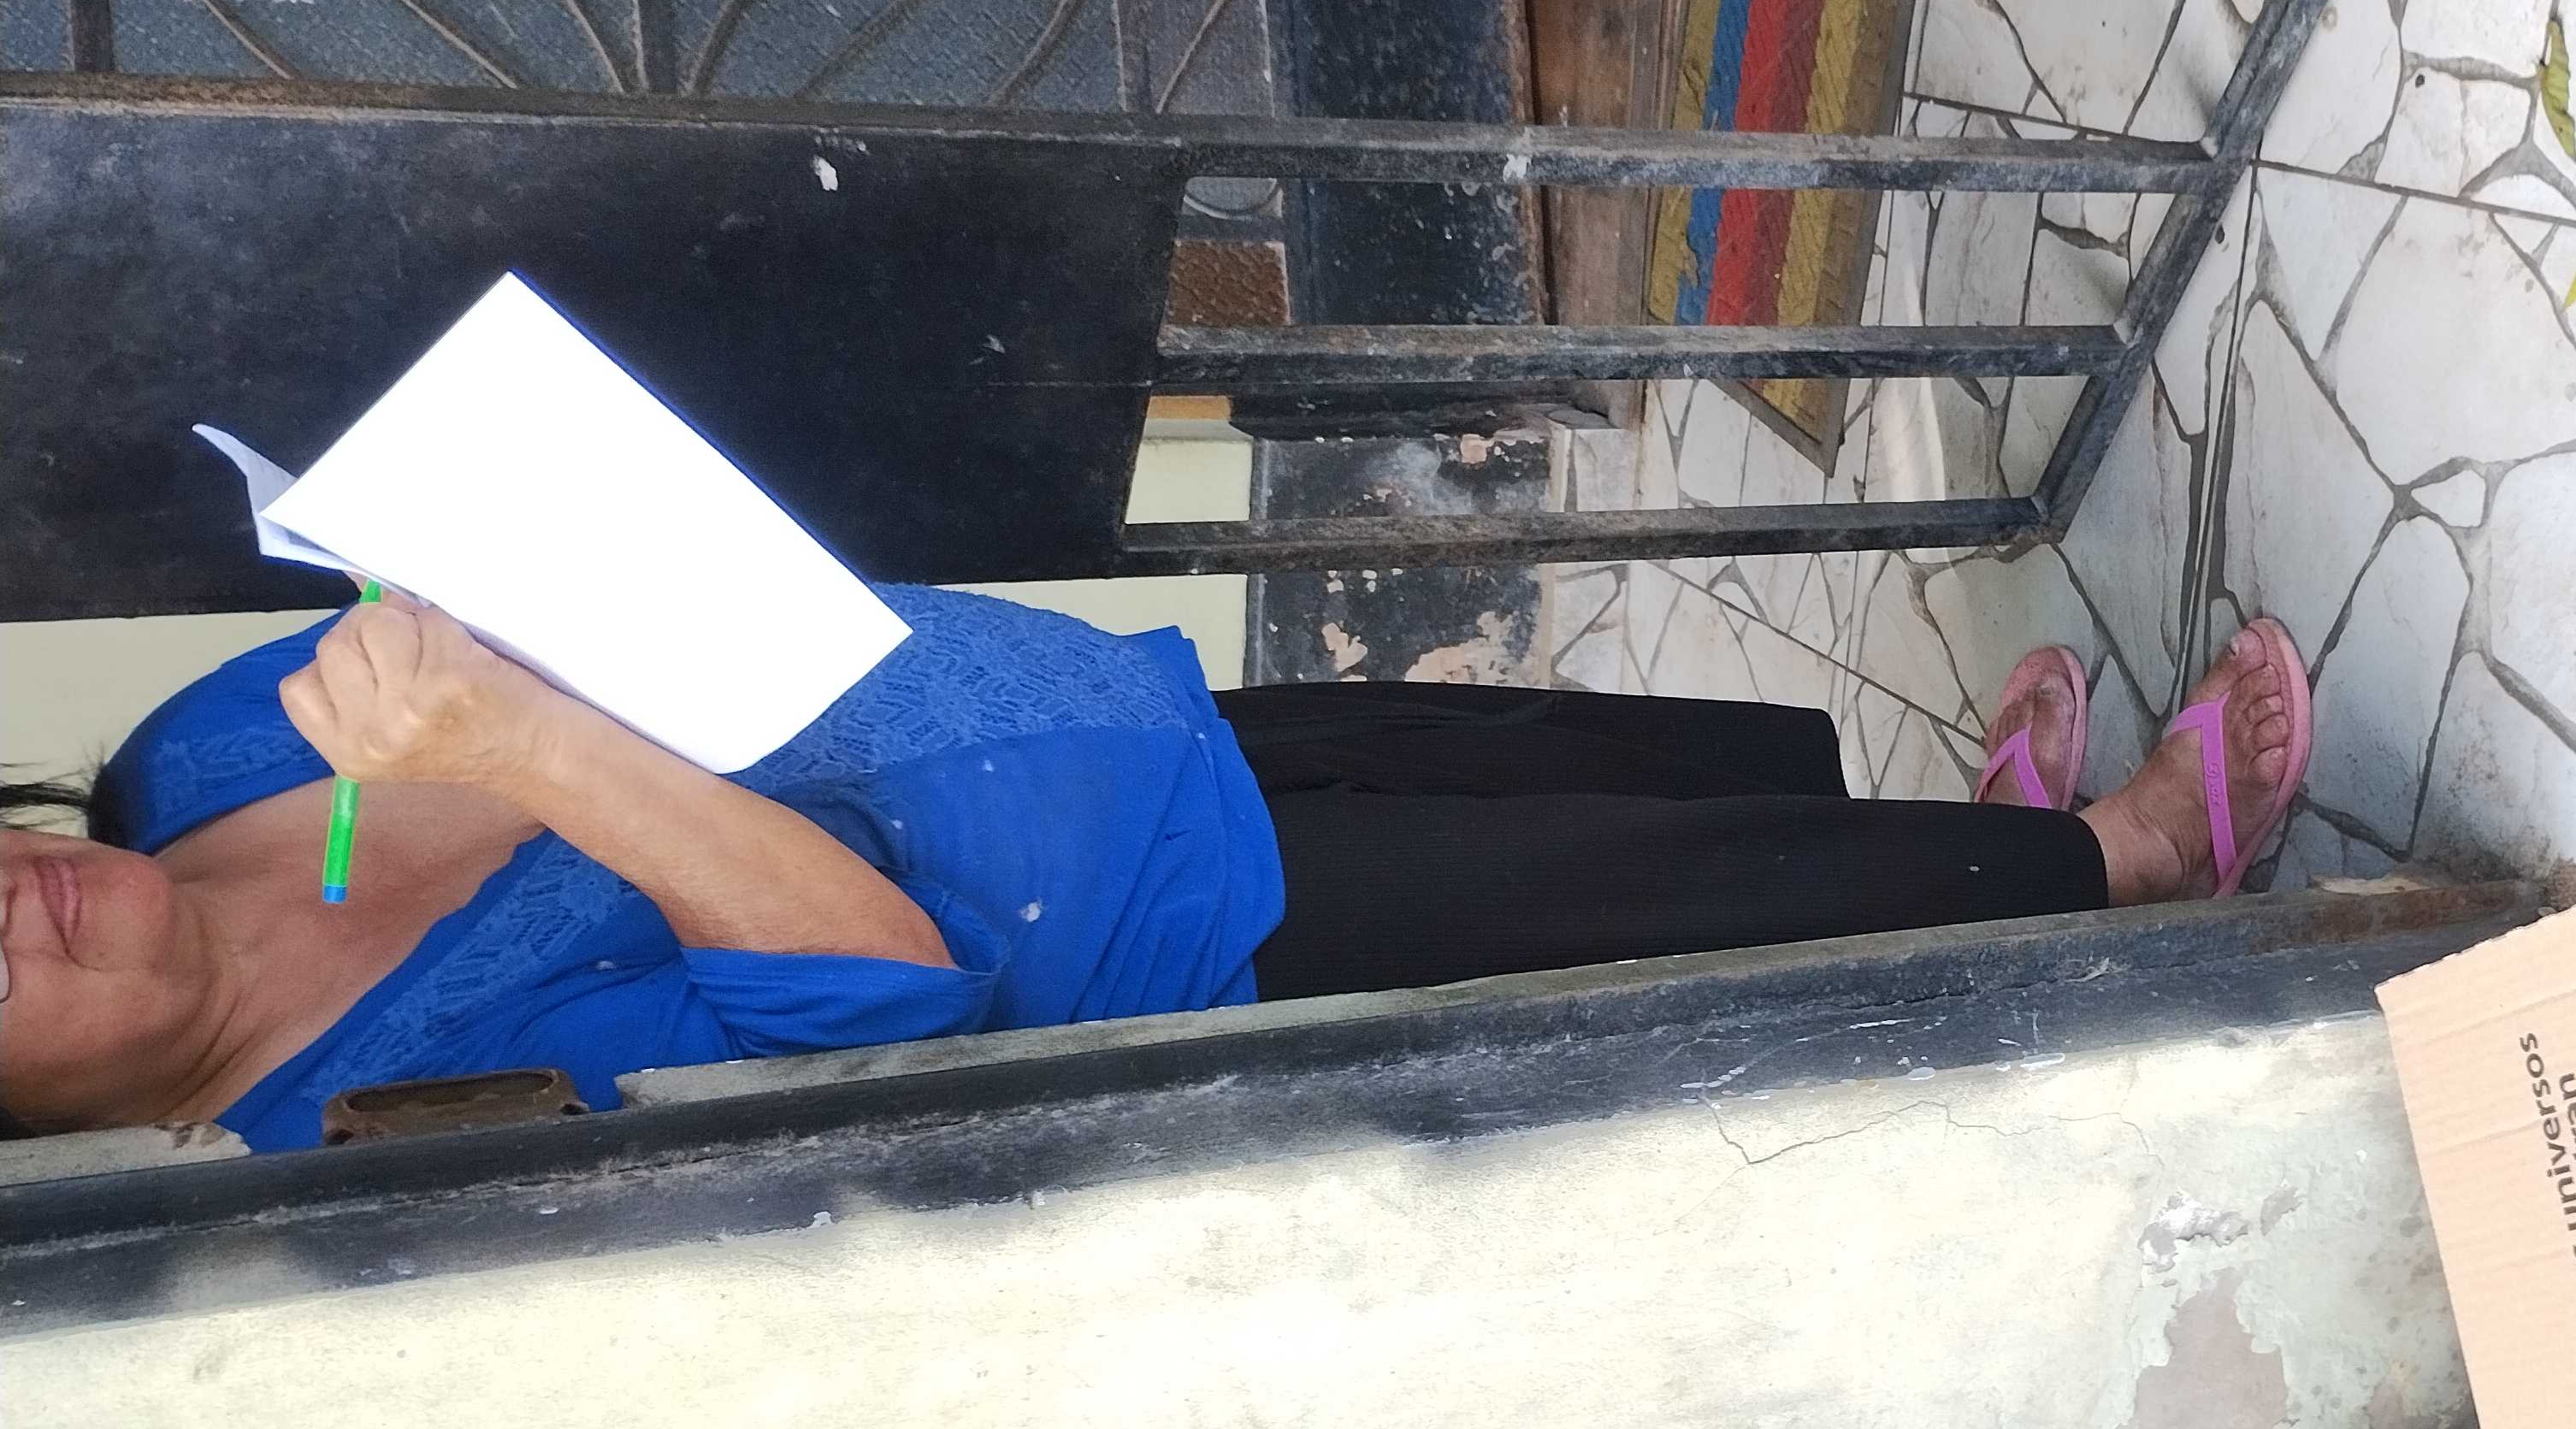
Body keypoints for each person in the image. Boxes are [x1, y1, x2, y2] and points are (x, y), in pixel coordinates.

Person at [0, 586, 2313, 1151]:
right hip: (1149, 941)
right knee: (1648, 896)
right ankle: (2124, 864)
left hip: (1071, 728)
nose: (6, 905)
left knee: (1617, 784)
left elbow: (594, 583)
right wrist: (516, 740)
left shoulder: (193, 756)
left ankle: (1981, 840)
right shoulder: (376, 1124)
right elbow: (864, 992)